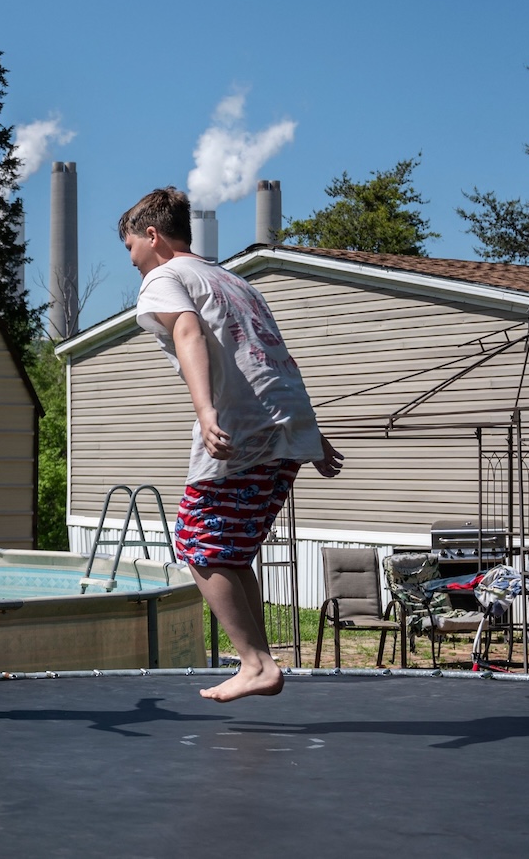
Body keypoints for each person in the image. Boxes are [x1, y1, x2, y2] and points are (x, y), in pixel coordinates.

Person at [119, 186, 344, 701]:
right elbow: (270, 354)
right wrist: (310, 434)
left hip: (241, 428)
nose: (132, 261)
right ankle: (259, 662)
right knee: (232, 551)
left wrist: (205, 410)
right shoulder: (234, 281)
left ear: (152, 236)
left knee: (198, 542)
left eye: (130, 247)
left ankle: (256, 662)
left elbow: (188, 334)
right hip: (285, 429)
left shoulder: (166, 276)